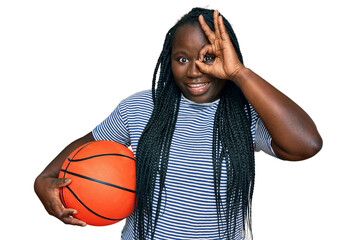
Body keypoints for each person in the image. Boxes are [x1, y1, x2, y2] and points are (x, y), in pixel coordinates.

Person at [34, 7, 322, 240]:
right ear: (168, 62)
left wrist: (239, 73)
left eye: (209, 57)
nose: (195, 69)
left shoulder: (242, 115)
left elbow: (307, 144)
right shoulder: (142, 107)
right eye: (182, 58)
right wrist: (43, 181)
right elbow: (86, 147)